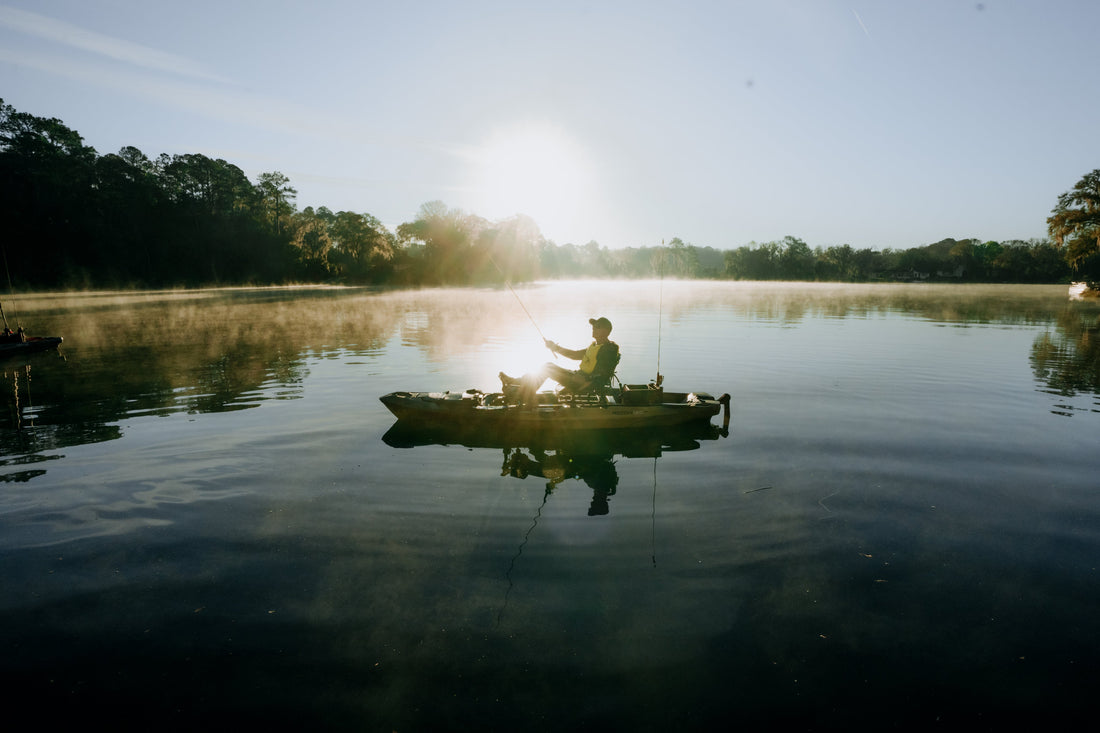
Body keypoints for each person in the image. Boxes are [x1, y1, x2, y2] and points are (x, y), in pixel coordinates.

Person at [500, 316, 620, 405]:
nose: (593, 328)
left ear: (605, 331)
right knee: (548, 366)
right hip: (578, 376)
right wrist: (555, 348)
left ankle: (525, 395)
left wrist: (587, 380)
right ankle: (519, 383)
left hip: (584, 382)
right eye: (593, 326)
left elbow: (603, 373)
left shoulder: (609, 349)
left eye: (597, 327)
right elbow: (574, 355)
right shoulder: (594, 345)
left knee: (548, 370)